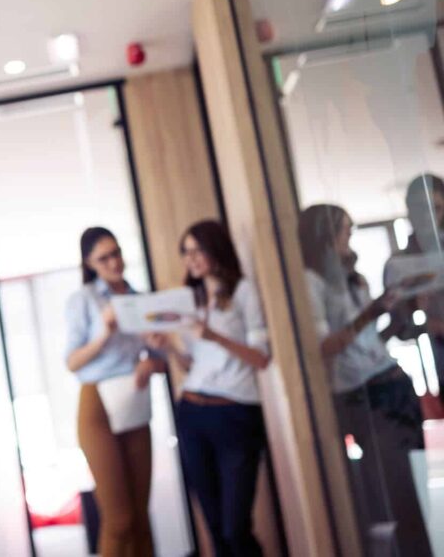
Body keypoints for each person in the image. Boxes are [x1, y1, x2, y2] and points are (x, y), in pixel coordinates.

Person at [298, 204, 431, 556]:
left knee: (416, 483)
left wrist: (395, 312)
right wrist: (371, 312)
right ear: (325, 237)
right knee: (395, 489)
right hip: (363, 394)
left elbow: (369, 340)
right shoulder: (310, 283)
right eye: (345, 230)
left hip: (394, 381)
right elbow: (325, 346)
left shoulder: (352, 276)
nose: (350, 236)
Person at [154, 220, 270, 557]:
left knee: (236, 528)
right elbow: (191, 364)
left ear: (215, 249)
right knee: (216, 530)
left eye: (197, 250)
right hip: (192, 412)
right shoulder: (190, 300)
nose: (191, 259)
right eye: (185, 252)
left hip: (236, 413)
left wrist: (215, 336)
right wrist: (169, 348)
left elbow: (261, 358)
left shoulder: (243, 291)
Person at [65, 227, 164, 557]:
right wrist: (103, 334)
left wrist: (152, 360)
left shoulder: (141, 299)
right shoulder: (83, 300)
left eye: (116, 253)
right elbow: (72, 361)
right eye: (103, 257)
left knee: (139, 516)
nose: (113, 262)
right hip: (96, 404)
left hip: (133, 398)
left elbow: (162, 359)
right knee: (119, 518)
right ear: (90, 264)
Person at [384, 173, 444, 414]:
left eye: (436, 208)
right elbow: (399, 328)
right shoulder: (400, 265)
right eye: (421, 209)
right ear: (409, 212)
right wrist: (419, 316)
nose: (429, 216)